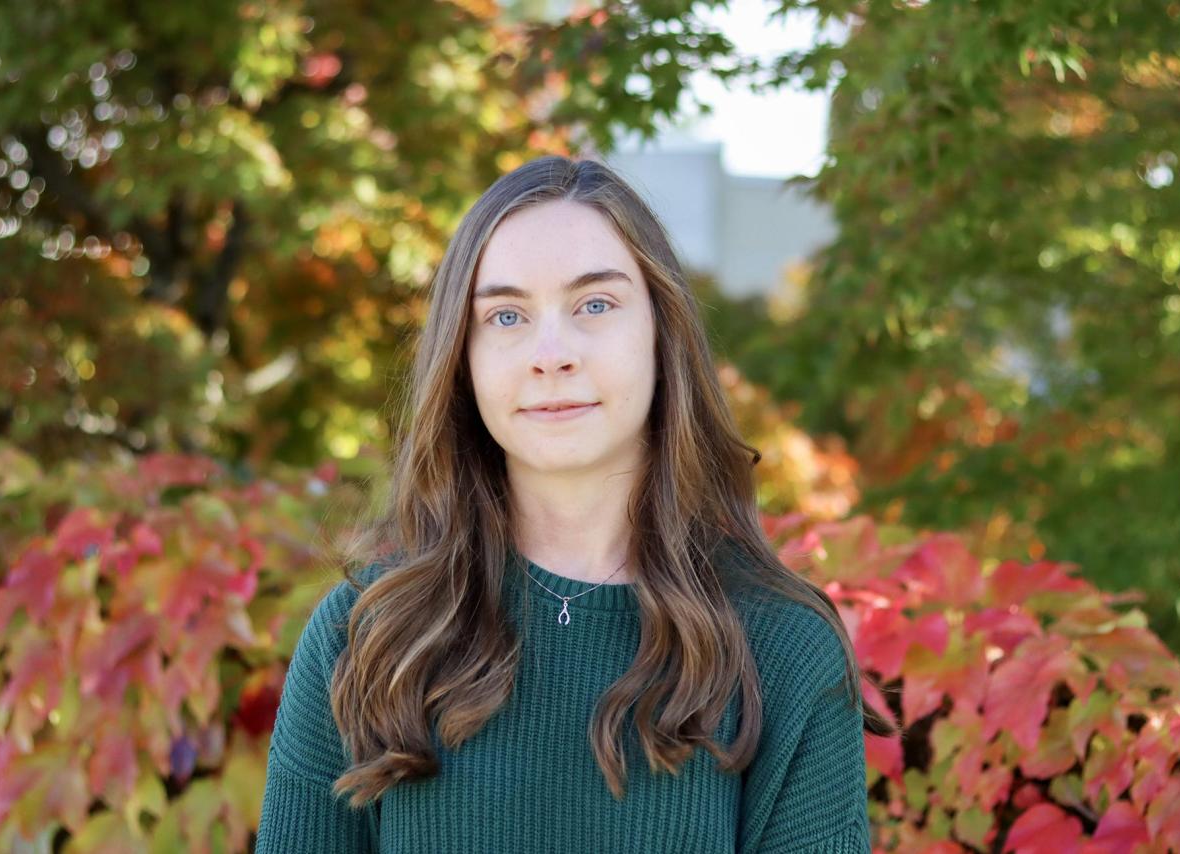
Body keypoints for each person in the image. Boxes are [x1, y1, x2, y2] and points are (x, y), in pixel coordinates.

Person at [256, 155, 899, 853]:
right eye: (505, 315)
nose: (551, 353)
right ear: (462, 360)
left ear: (663, 333)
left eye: (595, 304)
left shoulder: (781, 648)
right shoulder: (365, 640)